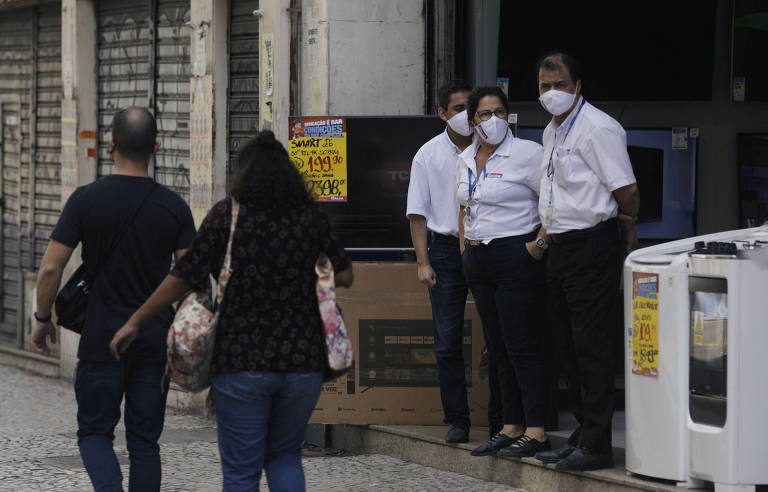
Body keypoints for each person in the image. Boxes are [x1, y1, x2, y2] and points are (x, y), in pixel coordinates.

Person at [109, 130, 353, 492]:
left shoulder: (228, 216)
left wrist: (135, 321)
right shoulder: (310, 217)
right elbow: (345, 275)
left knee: (242, 471)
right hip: (303, 363)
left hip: (242, 361)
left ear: (242, 173)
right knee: (285, 456)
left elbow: (183, 276)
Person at [31, 107, 196, 491]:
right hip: (154, 339)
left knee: (94, 434)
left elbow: (51, 269)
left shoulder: (86, 200)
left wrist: (42, 319)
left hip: (101, 336)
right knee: (144, 443)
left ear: (110, 144)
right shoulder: (174, 207)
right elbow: (190, 275)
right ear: (156, 146)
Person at [531, 51, 639, 471]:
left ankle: (597, 445)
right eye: (543, 86)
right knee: (566, 346)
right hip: (559, 247)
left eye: (559, 84)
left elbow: (625, 189)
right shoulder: (552, 130)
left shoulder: (598, 128)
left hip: (592, 245)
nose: (551, 93)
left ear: (578, 86)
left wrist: (628, 224)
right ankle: (581, 431)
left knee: (592, 348)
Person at [456, 86, 551, 458]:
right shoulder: (465, 158)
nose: (491, 120)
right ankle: (511, 426)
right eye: (483, 114)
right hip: (479, 258)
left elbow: (553, 201)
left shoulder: (527, 153)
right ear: (472, 120)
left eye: (498, 112)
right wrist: (465, 250)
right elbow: (464, 208)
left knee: (522, 346)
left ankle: (537, 429)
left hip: (516, 253)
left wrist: (538, 245)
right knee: (497, 347)